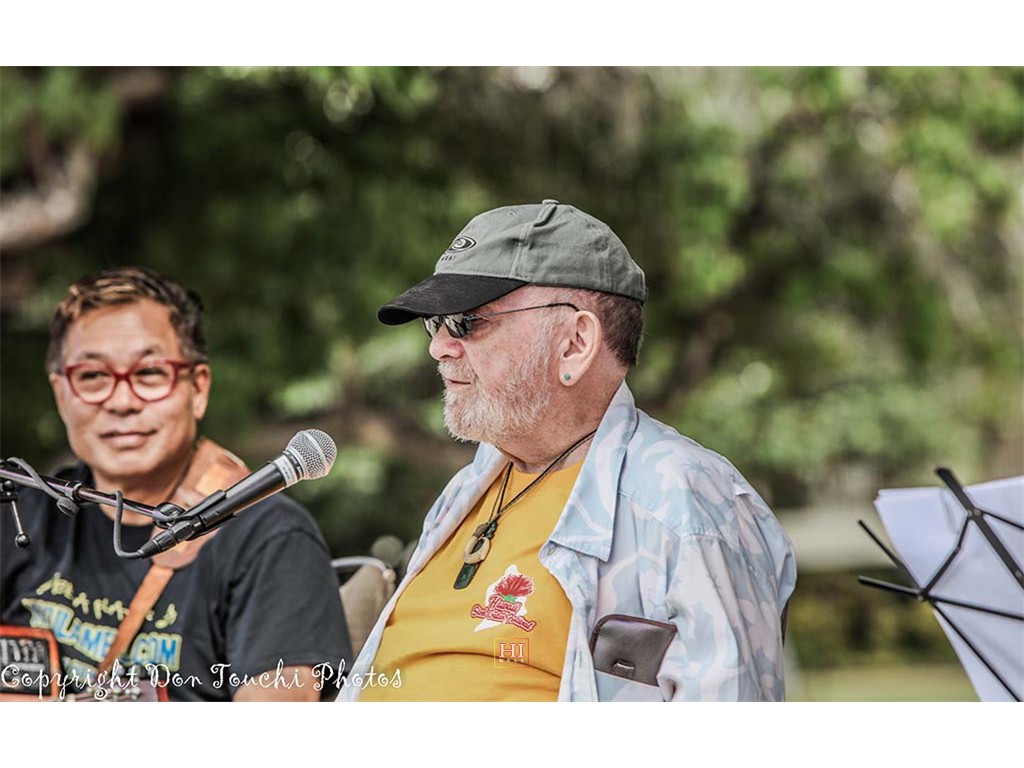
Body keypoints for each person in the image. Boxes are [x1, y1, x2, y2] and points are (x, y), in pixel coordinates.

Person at [343, 199, 796, 702]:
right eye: (436, 324)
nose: (439, 347)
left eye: (466, 322)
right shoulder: (469, 486)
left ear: (576, 343)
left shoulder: (682, 497)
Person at [0, 267, 350, 701]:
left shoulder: (272, 539)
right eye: (92, 376)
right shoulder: (15, 510)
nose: (121, 401)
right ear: (61, 394)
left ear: (198, 389)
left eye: (149, 373)